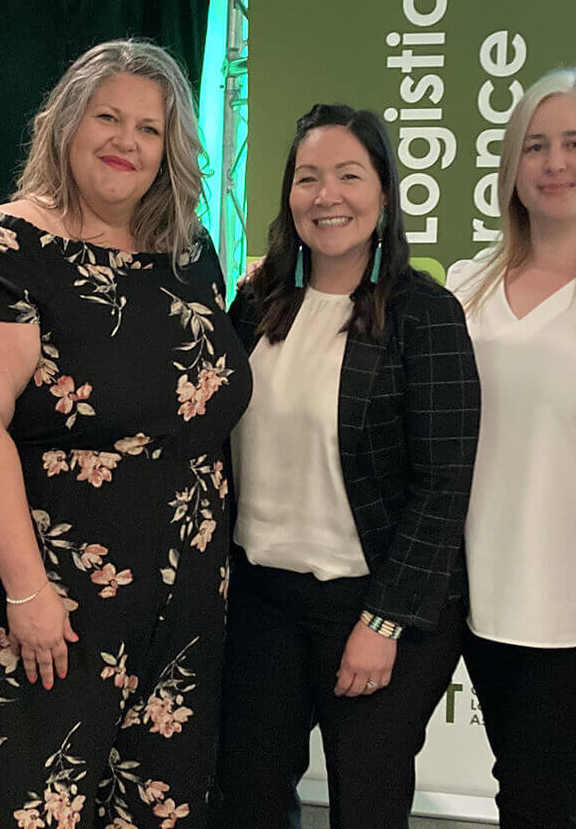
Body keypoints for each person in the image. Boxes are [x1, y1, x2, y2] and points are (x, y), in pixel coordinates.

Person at [0, 39, 250, 828]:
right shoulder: (3, 248)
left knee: (159, 813)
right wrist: (27, 591)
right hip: (55, 601)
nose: (126, 142)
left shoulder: (190, 252)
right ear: (66, 124)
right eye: (108, 118)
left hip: (186, 603)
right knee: (34, 809)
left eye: (149, 129)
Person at [213, 103, 480, 829]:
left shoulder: (425, 314)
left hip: (371, 603)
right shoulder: (257, 304)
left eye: (348, 175)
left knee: (366, 805)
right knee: (248, 798)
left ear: (385, 193)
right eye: (307, 178)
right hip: (263, 600)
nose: (326, 195)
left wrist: (383, 622)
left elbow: (443, 485)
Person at [445, 68, 576, 829]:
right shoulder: (468, 284)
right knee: (527, 800)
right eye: (535, 145)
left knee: (540, 806)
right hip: (484, 598)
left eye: (575, 143)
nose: (554, 163)